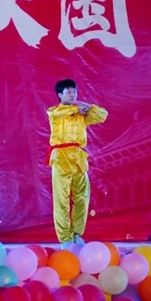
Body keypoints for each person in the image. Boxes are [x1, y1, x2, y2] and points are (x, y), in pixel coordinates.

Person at [47, 78, 107, 248]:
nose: (73, 95)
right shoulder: (55, 111)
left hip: (79, 158)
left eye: (74, 92)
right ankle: (65, 238)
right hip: (61, 158)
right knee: (61, 199)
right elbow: (56, 113)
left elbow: (102, 115)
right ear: (60, 95)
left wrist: (88, 107)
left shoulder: (81, 114)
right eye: (69, 92)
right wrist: (75, 109)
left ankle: (76, 234)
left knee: (82, 197)